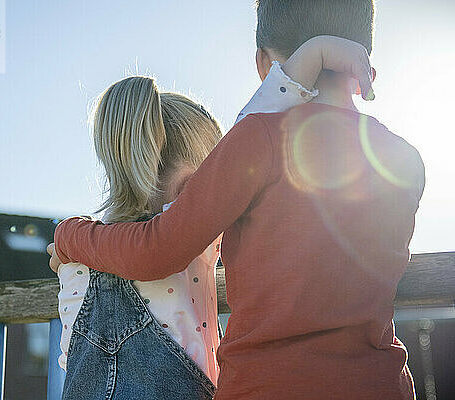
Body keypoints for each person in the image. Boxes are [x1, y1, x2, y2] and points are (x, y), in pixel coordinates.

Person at [50, 1, 426, 398]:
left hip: (267, 386)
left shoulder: (258, 140)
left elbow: (157, 251)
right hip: (380, 385)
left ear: (264, 64)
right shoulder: (405, 160)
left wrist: (70, 236)